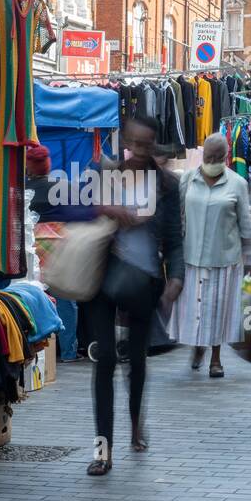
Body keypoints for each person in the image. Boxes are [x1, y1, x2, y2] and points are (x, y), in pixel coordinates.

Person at [88, 114, 184, 476]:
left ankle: (134, 424)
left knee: (138, 363)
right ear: (125, 140)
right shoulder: (104, 175)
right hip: (101, 276)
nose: (141, 151)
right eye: (135, 143)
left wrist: (175, 278)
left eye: (147, 144)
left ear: (154, 144)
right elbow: (68, 209)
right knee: (105, 360)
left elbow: (175, 238)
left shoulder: (168, 186)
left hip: (144, 282)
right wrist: (108, 209)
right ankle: (103, 451)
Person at [170, 133, 251, 379]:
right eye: (209, 156)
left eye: (218, 157)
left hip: (224, 257)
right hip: (192, 256)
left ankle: (215, 359)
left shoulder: (238, 184)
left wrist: (250, 261)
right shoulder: (187, 179)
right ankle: (198, 347)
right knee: (196, 309)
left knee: (217, 310)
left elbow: (245, 225)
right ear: (203, 155)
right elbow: (179, 217)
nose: (213, 160)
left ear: (225, 157)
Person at [26, 143, 81, 362]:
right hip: (61, 247)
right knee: (66, 300)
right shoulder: (64, 187)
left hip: (33, 248)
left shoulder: (21, 188)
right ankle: (68, 352)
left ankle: (40, 350)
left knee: (34, 297)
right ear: (48, 165)